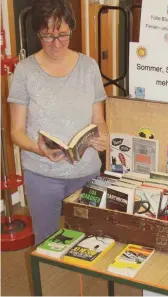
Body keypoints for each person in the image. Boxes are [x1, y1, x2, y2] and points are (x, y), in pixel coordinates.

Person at [8, 0, 108, 244]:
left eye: (62, 35)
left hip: (86, 172)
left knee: (90, 240)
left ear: (71, 29)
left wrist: (104, 137)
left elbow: (99, 120)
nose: (56, 43)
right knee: (47, 241)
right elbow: (16, 132)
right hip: (42, 173)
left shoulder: (89, 67)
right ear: (37, 33)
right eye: (47, 36)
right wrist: (38, 150)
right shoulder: (25, 71)